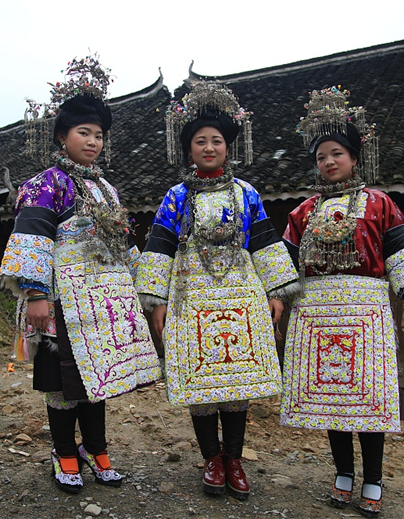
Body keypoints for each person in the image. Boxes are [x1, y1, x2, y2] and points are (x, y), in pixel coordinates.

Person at [0, 56, 161, 494]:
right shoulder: (45, 184)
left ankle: (96, 448)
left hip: (104, 302)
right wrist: (36, 293)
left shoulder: (107, 190)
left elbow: (122, 244)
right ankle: (64, 452)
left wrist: (144, 290)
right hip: (61, 301)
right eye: (83, 132)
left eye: (98, 135)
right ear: (62, 136)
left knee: (97, 381)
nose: (92, 141)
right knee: (62, 383)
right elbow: (32, 240)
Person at [134, 81, 300, 500]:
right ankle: (211, 458)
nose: (209, 148)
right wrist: (156, 302)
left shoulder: (247, 194)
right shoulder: (176, 197)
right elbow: (160, 246)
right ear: (188, 149)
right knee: (203, 385)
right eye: (200, 142)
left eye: (217, 141)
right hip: (190, 297)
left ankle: (235, 459)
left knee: (238, 384)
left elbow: (264, 242)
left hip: (242, 295)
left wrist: (276, 292)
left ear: (228, 147)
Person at [279, 87, 404, 517]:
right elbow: (283, 265)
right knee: (332, 399)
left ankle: (373, 478)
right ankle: (343, 473)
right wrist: (277, 298)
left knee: (368, 399)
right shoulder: (303, 212)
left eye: (337, 154)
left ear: (353, 157)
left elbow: (402, 253)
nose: (329, 162)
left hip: (366, 312)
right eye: (321, 157)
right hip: (316, 312)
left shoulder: (379, 204)